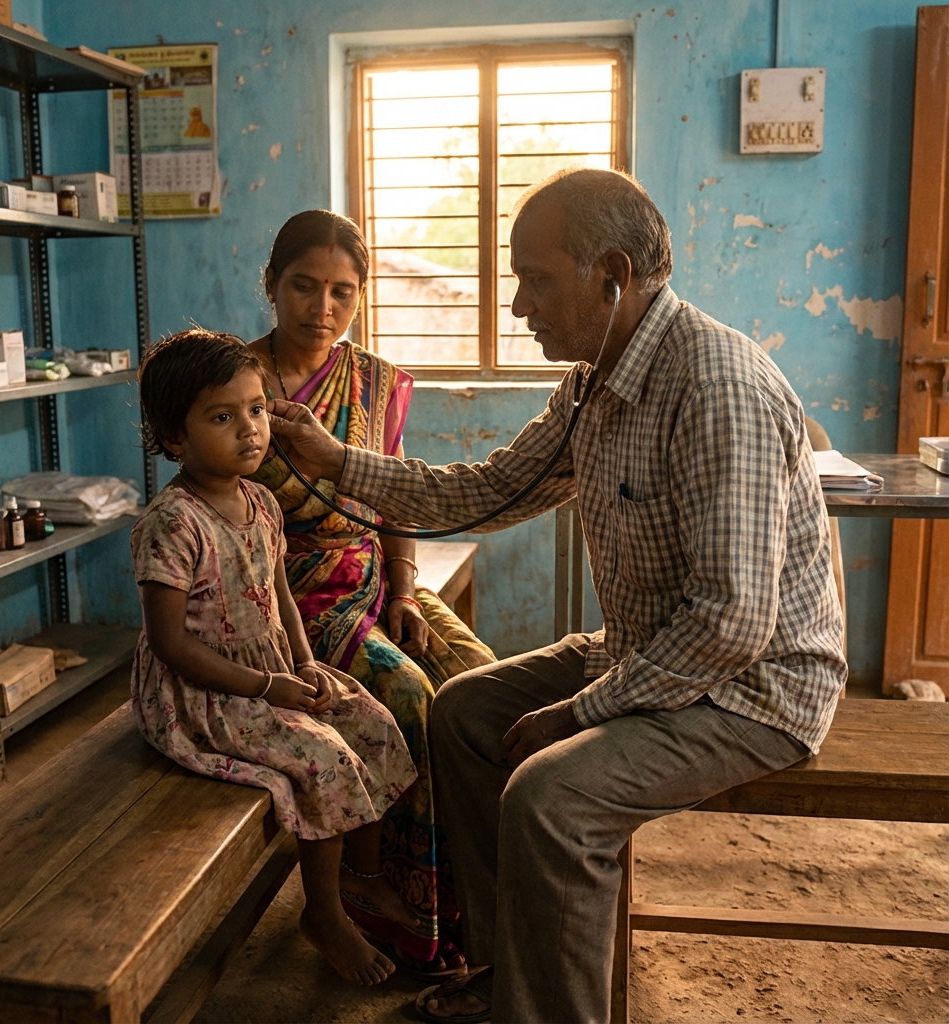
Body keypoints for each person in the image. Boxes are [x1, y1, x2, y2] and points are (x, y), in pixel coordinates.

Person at [266, 168, 848, 1022]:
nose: (516, 305)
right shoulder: (592, 388)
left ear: (609, 276)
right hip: (654, 651)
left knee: (551, 796)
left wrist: (584, 712)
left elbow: (731, 623)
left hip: (755, 689)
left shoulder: (715, 385)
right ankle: (510, 976)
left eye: (534, 278)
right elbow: (486, 491)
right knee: (462, 711)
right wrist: (337, 462)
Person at [244, 209, 496, 976]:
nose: (322, 309)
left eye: (342, 293)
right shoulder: (237, 381)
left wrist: (407, 594)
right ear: (272, 285)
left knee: (485, 683)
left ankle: (475, 901)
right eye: (304, 287)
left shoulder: (373, 382)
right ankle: (384, 903)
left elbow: (392, 499)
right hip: (288, 594)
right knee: (410, 697)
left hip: (373, 576)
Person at [128, 328, 421, 986]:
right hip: (201, 693)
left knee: (371, 722)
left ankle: (360, 877)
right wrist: (269, 686)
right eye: (222, 417)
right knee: (324, 757)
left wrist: (304, 666)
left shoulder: (260, 500)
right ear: (174, 438)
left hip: (267, 672)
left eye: (258, 409)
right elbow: (172, 646)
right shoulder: (172, 523)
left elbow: (278, 591)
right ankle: (322, 916)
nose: (250, 430)